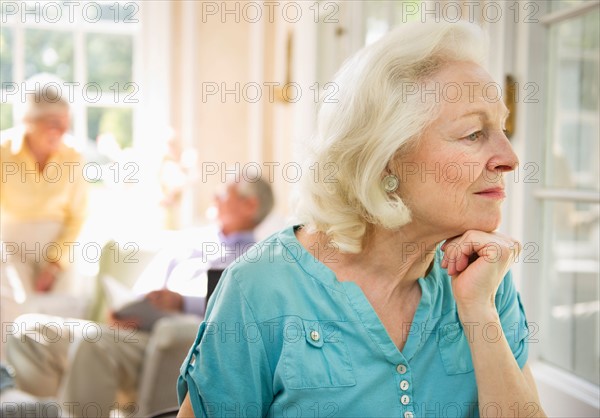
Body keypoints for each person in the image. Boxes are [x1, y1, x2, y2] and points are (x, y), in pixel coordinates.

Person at [177, 21, 546, 417]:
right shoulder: (262, 287)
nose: (509, 158)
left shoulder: (485, 280)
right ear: (384, 157)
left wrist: (479, 310)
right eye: (474, 133)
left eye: (502, 128)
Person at [5, 175, 274, 418]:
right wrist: (126, 309)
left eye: (224, 193)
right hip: (132, 332)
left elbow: (234, 316)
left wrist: (181, 302)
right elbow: (145, 287)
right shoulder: (188, 241)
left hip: (173, 342)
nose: (214, 197)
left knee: (92, 342)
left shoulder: (256, 260)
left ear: (249, 206)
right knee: (29, 330)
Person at [0, 74, 87, 361]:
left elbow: (77, 216)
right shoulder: (4, 151)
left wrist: (54, 263)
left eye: (66, 122)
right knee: (13, 316)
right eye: (53, 123)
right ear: (30, 120)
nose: (62, 130)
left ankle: (58, 393)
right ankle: (12, 385)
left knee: (59, 321)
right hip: (12, 248)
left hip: (58, 249)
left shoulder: (73, 155)